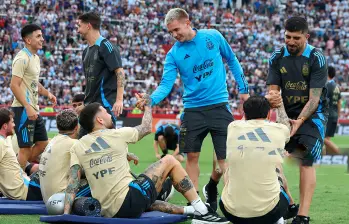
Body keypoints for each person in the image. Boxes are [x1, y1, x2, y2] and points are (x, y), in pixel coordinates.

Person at [136, 8, 250, 211]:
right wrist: (150, 99)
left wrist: (243, 90)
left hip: (219, 106)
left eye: (176, 30)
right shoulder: (173, 54)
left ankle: (232, 202)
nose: (174, 35)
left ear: (187, 22)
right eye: (170, 32)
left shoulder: (212, 36)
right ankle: (196, 205)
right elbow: (166, 84)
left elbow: (232, 59)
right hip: (192, 110)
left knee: (224, 158)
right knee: (192, 157)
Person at [63, 94, 229, 223]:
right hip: (128, 202)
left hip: (108, 210)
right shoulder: (116, 134)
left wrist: (65, 214)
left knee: (146, 196)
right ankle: (202, 211)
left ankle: (190, 211)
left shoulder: (77, 146)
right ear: (99, 120)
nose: (109, 115)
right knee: (170, 161)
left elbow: (73, 183)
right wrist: (148, 106)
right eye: (106, 113)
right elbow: (146, 127)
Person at [266, 16, 329, 224]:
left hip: (312, 117)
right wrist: (283, 119)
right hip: (286, 115)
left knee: (305, 158)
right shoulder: (276, 57)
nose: (290, 42)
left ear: (306, 37)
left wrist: (298, 121)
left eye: (296, 38)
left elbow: (314, 99)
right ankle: (290, 204)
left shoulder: (316, 58)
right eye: (287, 37)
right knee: (270, 156)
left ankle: (303, 216)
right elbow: (273, 93)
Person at [220, 95, 297, 224]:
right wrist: (279, 104)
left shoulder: (232, 127)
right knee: (277, 166)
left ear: (245, 112)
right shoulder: (280, 130)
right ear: (268, 113)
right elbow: (286, 126)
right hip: (269, 213)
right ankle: (285, 214)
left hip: (231, 212)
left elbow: (246, 119)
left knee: (228, 168)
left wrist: (262, 102)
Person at [10, 24, 57, 170]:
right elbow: (14, 85)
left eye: (41, 36)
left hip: (33, 110)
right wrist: (27, 106)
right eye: (38, 36)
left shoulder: (35, 58)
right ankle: (16, 180)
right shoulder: (21, 58)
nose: (42, 39)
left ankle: (21, 167)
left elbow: (33, 83)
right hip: (23, 110)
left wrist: (47, 93)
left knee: (42, 143)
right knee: (24, 148)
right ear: (28, 40)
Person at [75, 12, 125, 138]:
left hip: (105, 106)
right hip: (89, 108)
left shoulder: (106, 46)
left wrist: (119, 100)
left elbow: (120, 72)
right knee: (81, 145)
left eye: (79, 26)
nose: (77, 30)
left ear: (88, 26)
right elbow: (92, 82)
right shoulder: (86, 51)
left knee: (107, 146)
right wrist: (85, 105)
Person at [38, 109, 91, 203]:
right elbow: (91, 166)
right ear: (76, 127)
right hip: (60, 198)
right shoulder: (75, 144)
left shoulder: (53, 140)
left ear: (58, 127)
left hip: (47, 198)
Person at [0, 108, 42, 201]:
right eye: (12, 122)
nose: (14, 125)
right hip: (23, 191)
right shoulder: (1, 142)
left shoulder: (6, 139)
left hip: (24, 184)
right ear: (5, 126)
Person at [324, 66, 341, 154]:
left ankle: (339, 152)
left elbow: (322, 101)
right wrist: (338, 115)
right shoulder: (336, 86)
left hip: (328, 115)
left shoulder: (327, 86)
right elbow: (339, 102)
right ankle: (326, 157)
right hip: (334, 115)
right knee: (327, 139)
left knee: (321, 137)